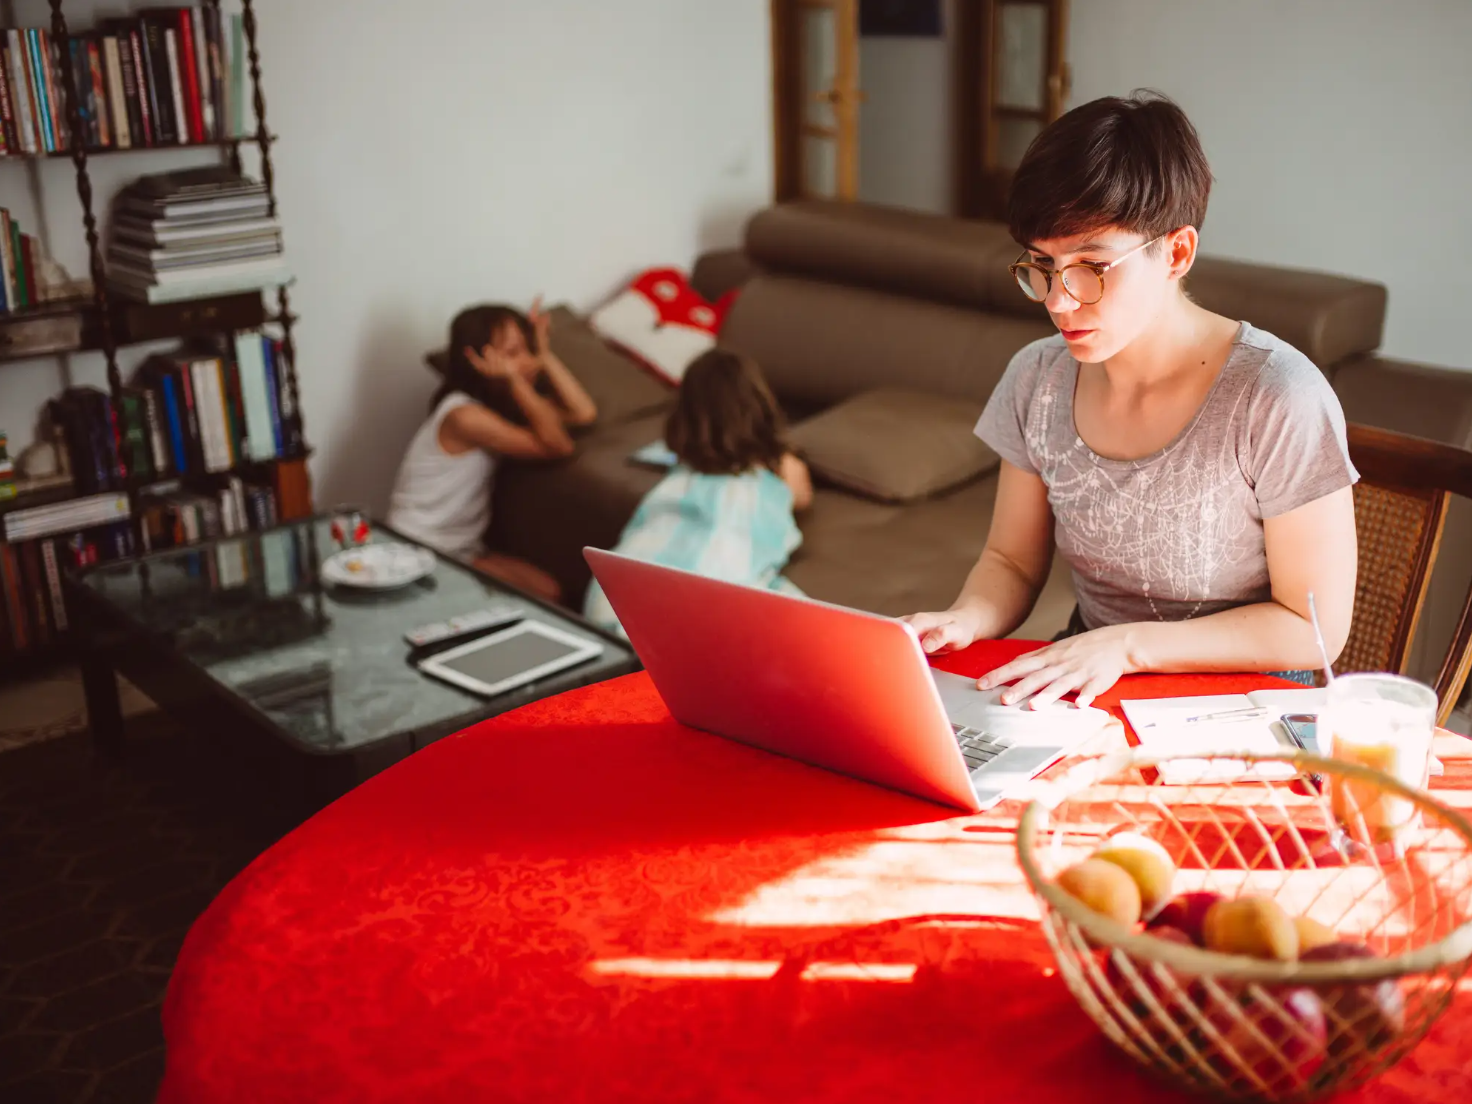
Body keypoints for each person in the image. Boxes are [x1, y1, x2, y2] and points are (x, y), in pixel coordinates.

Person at [902, 91, 1358, 708]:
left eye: (1091, 265)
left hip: (1248, 701)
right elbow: (1009, 561)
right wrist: (966, 618)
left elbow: (1315, 630)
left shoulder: (1276, 397)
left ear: (1176, 252)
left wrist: (1127, 645)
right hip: (1094, 677)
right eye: (1043, 265)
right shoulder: (1038, 378)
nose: (1059, 301)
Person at [583, 348, 812, 636]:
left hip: (612, 601)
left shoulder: (684, 465)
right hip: (699, 606)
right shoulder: (779, 466)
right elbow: (802, 497)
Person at [387, 299, 597, 603]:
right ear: (477, 359)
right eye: (513, 353)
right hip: (420, 546)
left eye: (528, 349)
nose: (527, 362)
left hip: (463, 548)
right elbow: (559, 446)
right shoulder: (464, 416)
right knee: (545, 594)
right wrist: (514, 379)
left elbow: (583, 413)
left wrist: (545, 355)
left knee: (551, 591)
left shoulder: (503, 407)